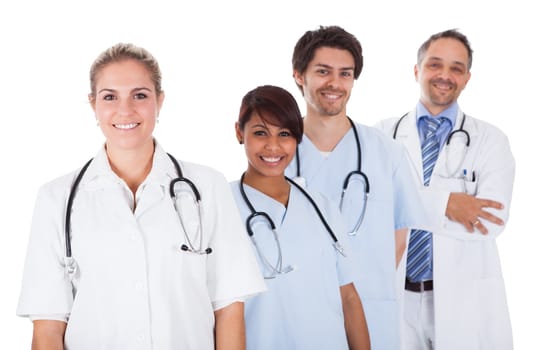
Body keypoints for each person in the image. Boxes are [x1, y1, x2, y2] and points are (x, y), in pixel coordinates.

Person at [16, 43, 266, 350]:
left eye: (140, 95)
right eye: (110, 97)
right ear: (93, 104)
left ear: (159, 101)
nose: (126, 109)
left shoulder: (207, 187)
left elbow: (228, 308)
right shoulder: (56, 199)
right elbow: (48, 329)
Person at [286, 25, 426, 350]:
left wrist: (364, 283)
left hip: (371, 311)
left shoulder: (386, 152)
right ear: (298, 75)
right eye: (323, 71)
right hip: (298, 313)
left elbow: (399, 233)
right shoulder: (277, 154)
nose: (335, 83)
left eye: (345, 74)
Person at [375, 29, 515, 349]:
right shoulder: (382, 135)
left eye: (456, 68)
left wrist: (401, 204)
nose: (445, 75)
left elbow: (490, 221)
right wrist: (446, 205)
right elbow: (368, 210)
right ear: (417, 70)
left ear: (467, 78)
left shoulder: (491, 140)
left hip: (463, 298)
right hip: (397, 297)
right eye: (435, 64)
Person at [231, 85, 370, 350]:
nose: (273, 146)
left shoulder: (322, 206)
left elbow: (349, 297)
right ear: (239, 132)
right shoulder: (222, 206)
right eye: (260, 133)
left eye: (284, 134)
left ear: (297, 137)